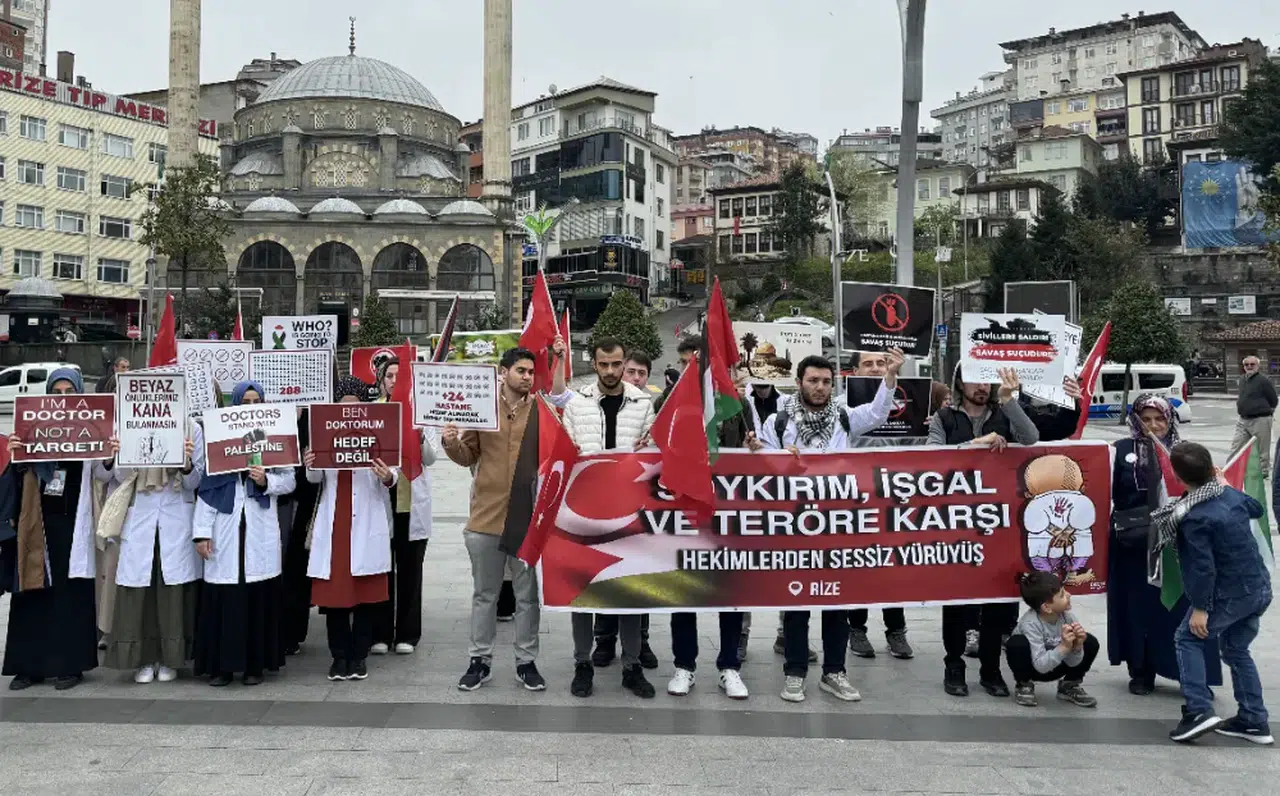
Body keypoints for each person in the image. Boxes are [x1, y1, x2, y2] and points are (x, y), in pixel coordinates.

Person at [759, 350, 904, 703]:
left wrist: (890, 378)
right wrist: (779, 459)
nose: (820, 387)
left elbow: (877, 413)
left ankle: (834, 672)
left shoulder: (842, 417)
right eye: (813, 381)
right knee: (796, 603)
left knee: (836, 601)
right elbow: (759, 468)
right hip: (794, 528)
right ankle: (794, 673)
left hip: (837, 526)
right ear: (799, 383)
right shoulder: (779, 423)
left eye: (826, 382)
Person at [928, 365, 1039, 699]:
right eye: (976, 378)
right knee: (956, 600)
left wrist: (1009, 402)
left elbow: (1031, 439)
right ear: (959, 382)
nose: (983, 386)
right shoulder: (943, 419)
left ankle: (991, 669)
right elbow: (931, 459)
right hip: (956, 524)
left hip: (998, 524)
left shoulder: (1004, 413)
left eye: (988, 380)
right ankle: (954, 666)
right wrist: (978, 443)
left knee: (996, 602)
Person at [442, 348, 546, 693]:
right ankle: (480, 660)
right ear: (504, 372)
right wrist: (451, 443)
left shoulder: (543, 411)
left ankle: (526, 661)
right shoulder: (482, 408)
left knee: (527, 596)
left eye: (531, 371)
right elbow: (467, 455)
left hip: (527, 518)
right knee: (484, 594)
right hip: (486, 516)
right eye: (520, 370)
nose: (527, 377)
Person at [561, 338, 657, 699]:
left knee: (629, 591)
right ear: (594, 363)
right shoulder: (576, 403)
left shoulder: (643, 403)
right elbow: (566, 452)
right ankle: (582, 663)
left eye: (617, 364)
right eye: (604, 365)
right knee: (583, 592)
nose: (612, 372)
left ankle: (631, 666)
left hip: (630, 512)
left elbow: (653, 456)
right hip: (583, 513)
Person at [1, 369, 109, 690]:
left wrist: (109, 456)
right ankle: (29, 665)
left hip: (73, 521)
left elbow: (102, 477)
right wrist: (18, 453)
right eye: (57, 393)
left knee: (70, 592)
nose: (63, 400)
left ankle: (69, 664)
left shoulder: (91, 430)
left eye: (69, 393)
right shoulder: (32, 428)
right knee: (33, 589)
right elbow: (18, 477)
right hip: (38, 519)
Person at [1106, 394, 1220, 696]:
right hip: (1134, 545)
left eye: (1160, 419)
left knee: (1179, 608)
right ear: (1136, 420)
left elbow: (1207, 491)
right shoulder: (1120, 451)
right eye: (1146, 419)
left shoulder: (1186, 453)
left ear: (1170, 421)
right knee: (1138, 608)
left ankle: (1191, 675)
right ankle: (1141, 671)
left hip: (1178, 546)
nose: (1153, 425)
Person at [1160, 442, 1273, 744]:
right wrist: (1225, 484)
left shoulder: (1194, 516)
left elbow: (1201, 568)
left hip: (1230, 594)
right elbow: (1257, 509)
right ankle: (1253, 719)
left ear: (1177, 477)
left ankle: (1198, 711)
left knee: (1187, 638)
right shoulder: (1229, 495)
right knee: (1237, 650)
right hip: (1258, 588)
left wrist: (1200, 607)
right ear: (1213, 470)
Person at [191, 381, 295, 686]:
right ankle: (222, 667)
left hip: (259, 526)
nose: (250, 407)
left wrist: (266, 482)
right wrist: (201, 533)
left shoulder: (275, 437)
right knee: (225, 598)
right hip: (225, 529)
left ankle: (254, 666)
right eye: (244, 402)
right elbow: (208, 491)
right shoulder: (219, 442)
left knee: (256, 597)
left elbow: (289, 482)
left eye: (256, 401)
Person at [102, 387, 205, 685]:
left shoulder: (191, 428)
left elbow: (195, 480)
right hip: (142, 516)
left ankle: (170, 657)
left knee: (172, 589)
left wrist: (185, 464)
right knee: (140, 590)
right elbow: (119, 477)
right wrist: (115, 455)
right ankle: (143, 658)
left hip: (176, 516)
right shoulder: (127, 425)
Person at [305, 375, 398, 682]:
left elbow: (392, 475)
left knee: (366, 597)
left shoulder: (377, 432)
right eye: (343, 406)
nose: (348, 412)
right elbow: (315, 480)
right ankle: (339, 656)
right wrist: (311, 462)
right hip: (335, 526)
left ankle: (359, 656)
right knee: (335, 599)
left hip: (366, 521)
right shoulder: (323, 434)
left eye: (354, 406)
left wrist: (387, 475)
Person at [589, 348, 659, 670]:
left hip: (637, 506)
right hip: (599, 506)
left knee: (637, 578)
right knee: (603, 574)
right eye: (630, 371)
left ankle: (640, 641)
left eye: (641, 373)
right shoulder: (589, 404)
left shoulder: (648, 408)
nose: (635, 377)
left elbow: (660, 456)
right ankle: (603, 640)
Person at [844, 350, 913, 661]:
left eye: (881, 363)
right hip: (853, 499)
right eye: (867, 364)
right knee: (858, 567)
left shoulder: (909, 401)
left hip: (893, 499)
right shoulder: (840, 407)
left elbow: (920, 452)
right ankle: (855, 628)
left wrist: (923, 429)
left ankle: (896, 631)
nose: (875, 369)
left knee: (893, 567)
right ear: (854, 370)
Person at [370, 357, 430, 655]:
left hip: (411, 495)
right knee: (381, 566)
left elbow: (430, 458)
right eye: (390, 376)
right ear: (381, 381)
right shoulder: (374, 412)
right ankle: (380, 632)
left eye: (399, 375)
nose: (395, 380)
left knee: (409, 566)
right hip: (380, 494)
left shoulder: (421, 411)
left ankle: (407, 633)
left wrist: (418, 435)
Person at [1005, 571, 1099, 708]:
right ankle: (1024, 684)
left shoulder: (1068, 617)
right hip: (1035, 668)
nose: (1068, 595)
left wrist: (1077, 646)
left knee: (1089, 641)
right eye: (1061, 594)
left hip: (1058, 664)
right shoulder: (1030, 623)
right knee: (1016, 643)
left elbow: (1074, 663)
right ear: (1046, 607)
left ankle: (1069, 685)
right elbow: (1041, 667)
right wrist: (1064, 647)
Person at [1230, 356, 1276, 478]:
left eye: (1252, 364)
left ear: (1257, 366)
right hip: (1243, 419)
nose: (1249, 367)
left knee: (1262, 449)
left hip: (1260, 419)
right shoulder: (1242, 380)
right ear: (1243, 367)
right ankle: (1230, 470)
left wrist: (1264, 410)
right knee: (1236, 445)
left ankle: (1263, 473)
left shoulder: (1264, 380)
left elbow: (1273, 400)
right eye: (1246, 365)